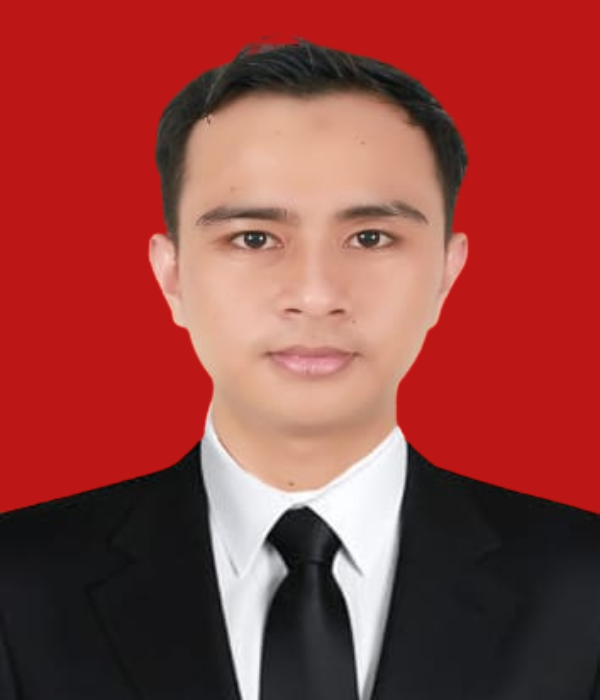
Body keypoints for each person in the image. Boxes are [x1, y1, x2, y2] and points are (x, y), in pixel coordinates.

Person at [1, 38, 599, 700]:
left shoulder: (582, 585)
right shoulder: (17, 587)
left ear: (445, 274)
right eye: (254, 238)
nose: (315, 295)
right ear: (171, 276)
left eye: (370, 238)